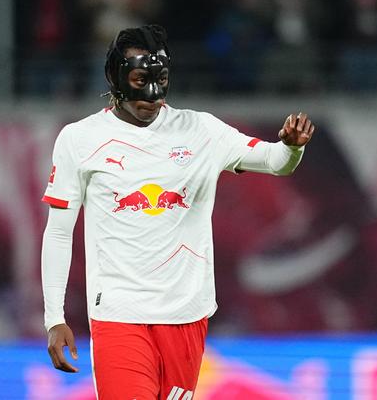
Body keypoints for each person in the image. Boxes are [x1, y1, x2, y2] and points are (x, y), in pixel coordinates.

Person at [41, 24, 315, 399]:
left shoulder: (201, 131)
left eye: (161, 80)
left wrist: (292, 147)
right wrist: (54, 317)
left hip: (186, 316)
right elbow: (58, 232)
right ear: (116, 77)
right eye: (141, 80)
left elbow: (274, 161)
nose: (152, 94)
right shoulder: (79, 139)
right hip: (119, 315)